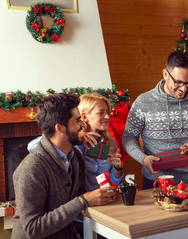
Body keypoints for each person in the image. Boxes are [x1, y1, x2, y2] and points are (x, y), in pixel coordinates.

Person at [12, 93, 117, 239]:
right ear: (60, 128)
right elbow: (32, 228)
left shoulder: (75, 157)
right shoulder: (31, 169)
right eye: (77, 120)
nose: (82, 125)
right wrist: (83, 201)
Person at [123, 51, 188, 189]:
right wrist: (143, 159)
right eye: (178, 82)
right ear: (165, 74)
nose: (183, 89)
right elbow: (128, 137)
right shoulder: (143, 102)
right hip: (156, 182)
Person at [28, 93, 124, 191]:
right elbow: (31, 146)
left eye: (108, 112)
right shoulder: (73, 141)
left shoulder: (109, 142)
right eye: (101, 112)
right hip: (81, 202)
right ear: (84, 117)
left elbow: (115, 182)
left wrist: (118, 168)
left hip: (106, 199)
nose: (108, 116)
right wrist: (79, 135)